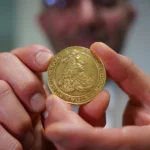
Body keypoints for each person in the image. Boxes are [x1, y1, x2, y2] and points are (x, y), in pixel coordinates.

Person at [0, 0, 150, 150]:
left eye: (106, 1)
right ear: (43, 22)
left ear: (130, 17)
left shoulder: (145, 115)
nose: (87, 18)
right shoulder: (23, 109)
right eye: (64, 2)